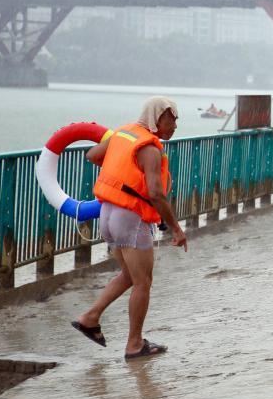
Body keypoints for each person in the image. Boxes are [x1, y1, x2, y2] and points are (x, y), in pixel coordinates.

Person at [71, 96, 188, 359]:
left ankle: (90, 318)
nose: (175, 125)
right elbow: (157, 195)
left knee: (128, 276)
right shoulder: (150, 150)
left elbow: (92, 155)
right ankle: (134, 344)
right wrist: (176, 229)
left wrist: (120, 164)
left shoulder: (123, 135)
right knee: (143, 282)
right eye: (171, 118)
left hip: (109, 214)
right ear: (157, 117)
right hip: (131, 218)